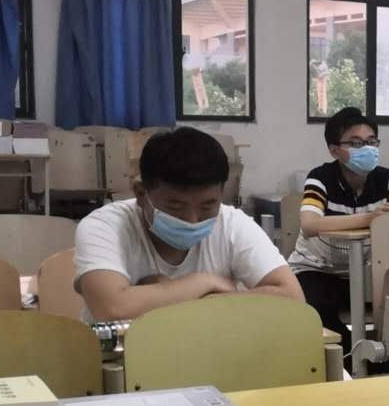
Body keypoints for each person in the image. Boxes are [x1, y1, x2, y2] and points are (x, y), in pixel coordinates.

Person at [74, 127, 301, 323]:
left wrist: (206, 298)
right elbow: (112, 309)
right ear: (142, 194)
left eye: (207, 206)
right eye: (176, 206)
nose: (192, 220)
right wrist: (205, 282)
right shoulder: (104, 226)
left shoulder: (232, 224)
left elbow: (292, 298)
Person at [288, 107, 389, 360]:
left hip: (367, 273)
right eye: (356, 143)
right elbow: (310, 225)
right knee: (314, 311)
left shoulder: (386, 178)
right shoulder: (320, 178)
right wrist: (370, 219)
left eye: (371, 142)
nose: (367, 149)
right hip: (317, 270)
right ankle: (356, 362)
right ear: (334, 150)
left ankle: (386, 364)